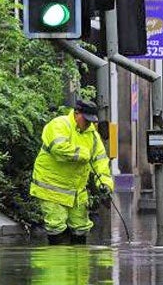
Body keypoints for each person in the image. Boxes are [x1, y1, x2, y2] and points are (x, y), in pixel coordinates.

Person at [30, 98, 113, 245]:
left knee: (81, 227)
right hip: (52, 187)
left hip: (76, 191)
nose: (88, 124)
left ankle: (78, 265)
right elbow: (59, 149)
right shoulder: (59, 124)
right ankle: (57, 263)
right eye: (86, 119)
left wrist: (105, 183)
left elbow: (101, 161)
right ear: (76, 113)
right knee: (56, 226)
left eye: (91, 121)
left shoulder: (93, 136)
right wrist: (83, 154)